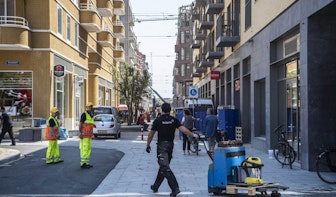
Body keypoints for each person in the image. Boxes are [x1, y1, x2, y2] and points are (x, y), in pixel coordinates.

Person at [146, 103, 197, 197]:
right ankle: (155, 186)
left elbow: (151, 134)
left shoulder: (158, 120)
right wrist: (193, 135)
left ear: (162, 110)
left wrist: (148, 145)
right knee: (163, 167)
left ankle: (175, 188)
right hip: (170, 146)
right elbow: (184, 130)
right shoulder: (174, 120)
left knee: (165, 168)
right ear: (170, 110)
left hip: (162, 146)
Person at [79, 102, 95, 169]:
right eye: (89, 107)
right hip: (84, 135)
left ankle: (86, 162)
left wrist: (92, 135)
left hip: (89, 136)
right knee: (85, 149)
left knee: (88, 149)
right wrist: (80, 133)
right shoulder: (84, 115)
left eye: (91, 107)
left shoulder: (91, 115)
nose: (90, 108)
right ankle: (83, 163)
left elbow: (90, 126)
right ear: (86, 107)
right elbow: (80, 124)